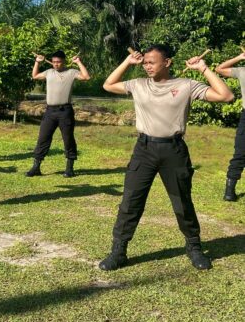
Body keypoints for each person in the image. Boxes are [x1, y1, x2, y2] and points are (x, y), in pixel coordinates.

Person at [99, 44, 234, 271]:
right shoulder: (138, 84)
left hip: (174, 151)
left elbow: (226, 95)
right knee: (131, 201)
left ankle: (194, 247)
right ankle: (118, 251)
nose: (147, 66)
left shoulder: (186, 85)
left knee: (182, 202)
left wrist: (203, 69)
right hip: (144, 149)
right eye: (145, 63)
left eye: (152, 62)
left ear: (167, 63)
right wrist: (127, 62)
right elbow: (108, 85)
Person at [26, 51, 90, 178]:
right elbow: (35, 76)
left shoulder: (71, 72)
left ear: (64, 61)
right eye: (54, 62)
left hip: (65, 111)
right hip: (50, 111)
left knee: (68, 139)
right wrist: (37, 62)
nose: (56, 64)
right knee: (43, 138)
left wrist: (78, 62)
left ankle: (69, 168)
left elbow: (86, 77)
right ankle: (36, 167)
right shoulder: (49, 72)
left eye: (59, 62)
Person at [215, 49, 245, 201]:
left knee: (240, 154)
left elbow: (219, 69)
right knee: (240, 154)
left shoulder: (242, 71)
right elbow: (219, 69)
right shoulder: (242, 71)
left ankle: (229, 192)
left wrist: (239, 57)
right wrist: (240, 56)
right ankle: (229, 192)